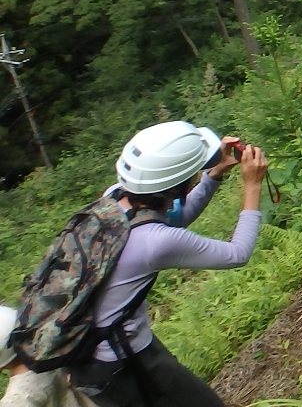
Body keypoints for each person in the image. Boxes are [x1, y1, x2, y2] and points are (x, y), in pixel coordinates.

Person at [66, 122, 268, 407]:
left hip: (91, 352)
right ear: (178, 186)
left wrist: (214, 173)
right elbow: (237, 254)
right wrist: (253, 184)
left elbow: (174, 218)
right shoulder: (154, 241)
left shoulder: (115, 198)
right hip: (123, 362)